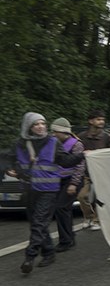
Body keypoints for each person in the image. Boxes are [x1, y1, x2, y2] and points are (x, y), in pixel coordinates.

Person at [8, 113, 84, 274]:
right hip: (29, 189)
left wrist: (83, 156)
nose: (41, 126)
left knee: (39, 222)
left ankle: (30, 256)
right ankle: (49, 252)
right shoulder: (20, 144)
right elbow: (10, 159)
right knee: (37, 224)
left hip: (48, 190)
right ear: (29, 127)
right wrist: (11, 168)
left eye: (43, 123)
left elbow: (65, 161)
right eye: (36, 124)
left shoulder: (53, 142)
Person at [51, 118, 86, 253]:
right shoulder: (56, 143)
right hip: (60, 180)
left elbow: (79, 166)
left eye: (55, 132)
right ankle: (69, 237)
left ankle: (65, 241)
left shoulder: (76, 144)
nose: (53, 134)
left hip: (72, 181)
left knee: (60, 208)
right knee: (63, 209)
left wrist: (73, 183)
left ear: (63, 131)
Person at [77, 110, 110, 231]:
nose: (101, 122)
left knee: (99, 198)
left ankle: (97, 220)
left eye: (103, 119)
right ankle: (88, 217)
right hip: (86, 173)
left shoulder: (107, 137)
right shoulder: (82, 137)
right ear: (91, 121)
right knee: (82, 196)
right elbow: (76, 152)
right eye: (98, 119)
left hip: (101, 174)